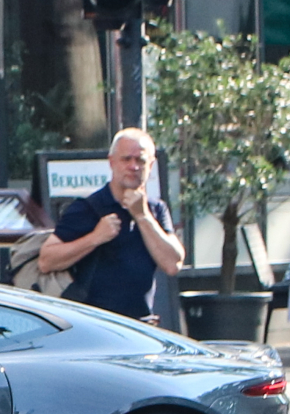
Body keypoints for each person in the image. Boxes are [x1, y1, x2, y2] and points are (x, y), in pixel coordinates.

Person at [39, 127, 185, 320]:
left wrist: (142, 216)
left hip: (141, 326)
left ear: (151, 165)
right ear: (112, 162)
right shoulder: (88, 208)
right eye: (126, 159)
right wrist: (95, 238)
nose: (133, 166)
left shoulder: (156, 209)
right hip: (95, 325)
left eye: (140, 160)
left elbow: (173, 264)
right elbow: (46, 260)